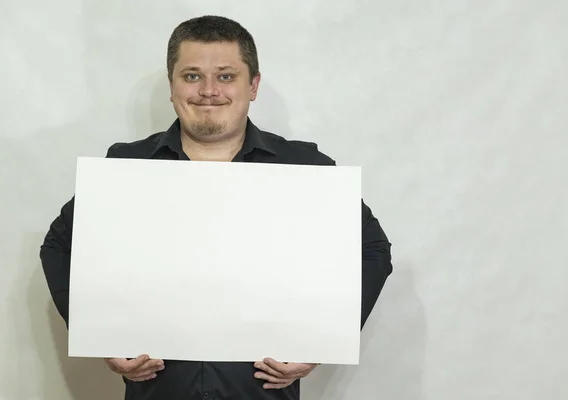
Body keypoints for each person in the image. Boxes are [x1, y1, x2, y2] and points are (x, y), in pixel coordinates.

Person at [40, 15, 393, 400]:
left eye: (225, 76)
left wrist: (324, 341)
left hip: (259, 393)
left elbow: (373, 250)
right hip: (160, 392)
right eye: (192, 76)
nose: (208, 91)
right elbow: (58, 247)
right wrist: (99, 336)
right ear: (172, 85)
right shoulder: (126, 167)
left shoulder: (305, 169)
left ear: (253, 85)